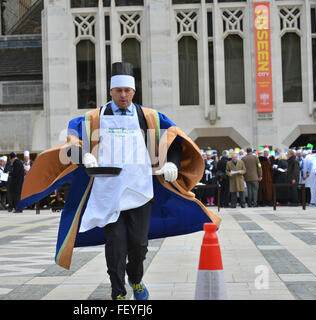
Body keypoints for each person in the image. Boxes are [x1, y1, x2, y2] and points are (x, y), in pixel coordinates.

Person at [17, 62, 220, 300]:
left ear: (134, 92)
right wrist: (85, 156)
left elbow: (175, 138)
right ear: (110, 92)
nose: (123, 95)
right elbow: (70, 144)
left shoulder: (149, 117)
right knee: (115, 244)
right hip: (107, 192)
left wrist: (173, 163)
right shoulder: (93, 118)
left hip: (140, 191)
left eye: (127, 91)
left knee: (139, 245)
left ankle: (135, 279)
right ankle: (118, 292)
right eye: (118, 91)